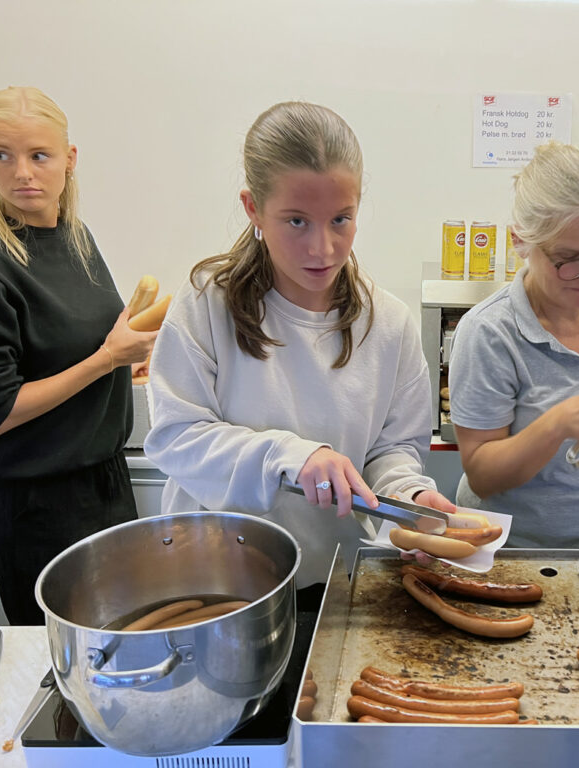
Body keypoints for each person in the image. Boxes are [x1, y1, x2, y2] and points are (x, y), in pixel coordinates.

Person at [143, 101, 453, 604]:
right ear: (253, 208)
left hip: (338, 582)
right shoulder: (207, 301)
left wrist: (409, 498)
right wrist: (289, 454)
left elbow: (392, 451)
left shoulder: (388, 323)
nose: (323, 248)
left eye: (340, 219)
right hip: (219, 586)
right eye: (296, 221)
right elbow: (177, 438)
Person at [0, 86, 157, 624]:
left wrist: (127, 363)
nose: (22, 172)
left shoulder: (75, 237)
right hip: (35, 505)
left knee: (121, 651)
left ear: (69, 160)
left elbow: (73, 344)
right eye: (1, 154)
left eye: (38, 155)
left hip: (104, 481)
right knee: (65, 669)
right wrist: (104, 362)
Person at [448, 142, 579, 549]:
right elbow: (482, 473)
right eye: (569, 259)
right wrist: (558, 423)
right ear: (521, 243)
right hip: (509, 550)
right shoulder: (489, 333)